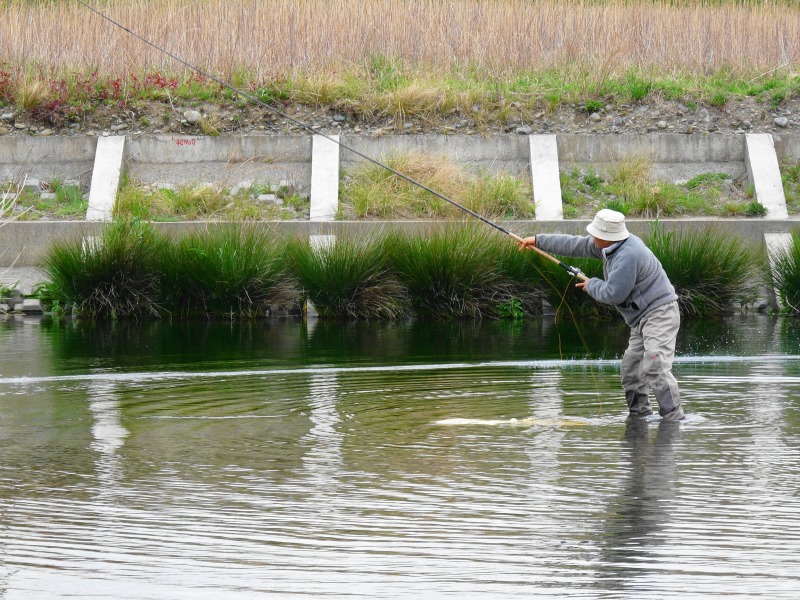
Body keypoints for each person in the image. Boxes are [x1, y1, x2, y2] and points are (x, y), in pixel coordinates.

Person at [518, 209, 685, 422]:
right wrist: (538, 241)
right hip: (639, 319)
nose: (592, 237)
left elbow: (613, 294)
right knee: (631, 371)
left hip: (660, 313)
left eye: (596, 233)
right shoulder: (607, 245)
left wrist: (592, 284)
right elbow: (574, 244)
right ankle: (639, 418)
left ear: (607, 237)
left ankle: (673, 418)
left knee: (654, 363)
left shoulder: (628, 255)